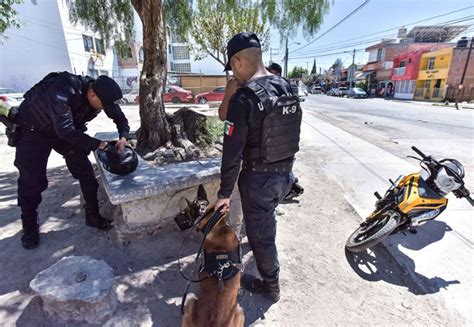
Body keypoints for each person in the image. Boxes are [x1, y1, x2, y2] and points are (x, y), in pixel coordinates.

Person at [214, 32, 301, 303]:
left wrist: (223, 194)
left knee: (262, 236)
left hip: (258, 181)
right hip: (285, 175)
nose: (233, 75)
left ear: (238, 61)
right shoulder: (288, 87)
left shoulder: (244, 99)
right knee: (264, 223)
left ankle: (271, 286)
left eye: (232, 67)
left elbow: (232, 153)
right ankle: (266, 265)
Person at [13, 72, 129, 249]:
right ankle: (29, 224)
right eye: (102, 106)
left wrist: (123, 137)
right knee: (32, 180)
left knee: (86, 172)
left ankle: (92, 215)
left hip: (64, 130)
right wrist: (101, 145)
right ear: (92, 95)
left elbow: (119, 117)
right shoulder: (63, 89)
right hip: (33, 131)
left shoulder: (101, 94)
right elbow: (65, 131)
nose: (104, 109)